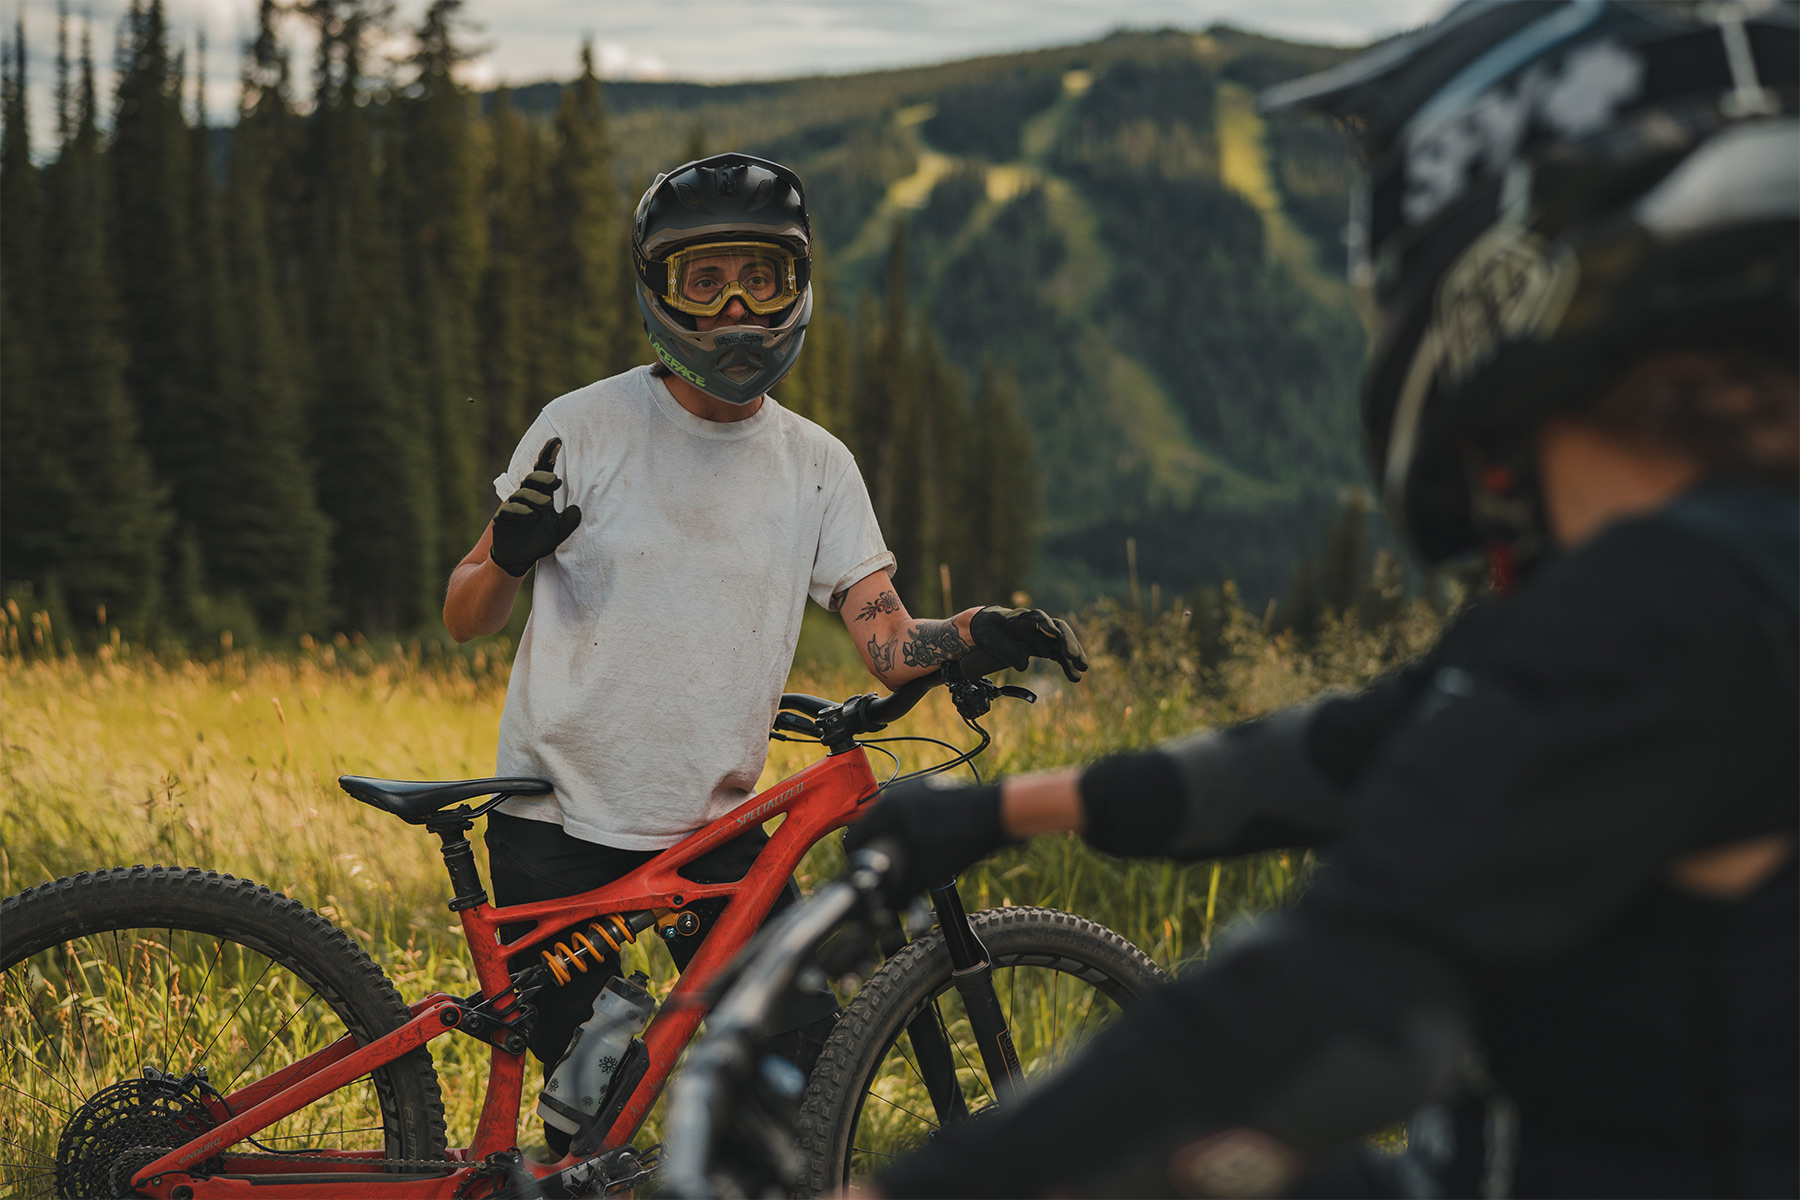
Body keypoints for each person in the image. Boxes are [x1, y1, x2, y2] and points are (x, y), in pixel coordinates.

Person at [845, 3, 1798, 1195]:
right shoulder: (1714, 583)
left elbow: (1333, 993)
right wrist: (996, 815)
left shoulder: (1669, 611)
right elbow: (1348, 751)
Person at [441, 152, 1086, 1159]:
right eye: (705, 280)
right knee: (584, 1116)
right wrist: (509, 558)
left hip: (721, 829)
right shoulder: (584, 428)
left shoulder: (817, 467)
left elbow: (885, 639)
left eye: (762, 277)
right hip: (558, 816)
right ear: (658, 288)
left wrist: (972, 634)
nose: (737, 307)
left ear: (799, 282)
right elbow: (463, 614)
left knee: (792, 1086)